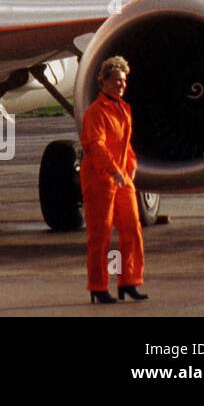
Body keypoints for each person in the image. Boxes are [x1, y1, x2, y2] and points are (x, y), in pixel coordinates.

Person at [81, 55, 146, 304]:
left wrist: (130, 166)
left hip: (121, 179)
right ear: (104, 81)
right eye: (117, 80)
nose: (121, 85)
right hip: (100, 180)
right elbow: (96, 146)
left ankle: (128, 280)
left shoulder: (122, 108)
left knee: (132, 229)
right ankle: (98, 286)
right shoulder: (95, 113)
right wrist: (113, 170)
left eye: (124, 81)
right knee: (101, 235)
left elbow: (126, 145)